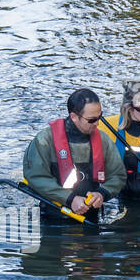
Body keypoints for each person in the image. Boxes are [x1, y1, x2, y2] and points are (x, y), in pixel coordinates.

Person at [22, 88, 126, 216]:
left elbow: (118, 176)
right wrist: (70, 199)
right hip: (54, 216)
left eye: (100, 117)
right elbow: (36, 176)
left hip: (91, 215)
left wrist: (102, 193)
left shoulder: (103, 140)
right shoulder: (45, 140)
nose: (98, 123)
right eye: (92, 120)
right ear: (74, 117)